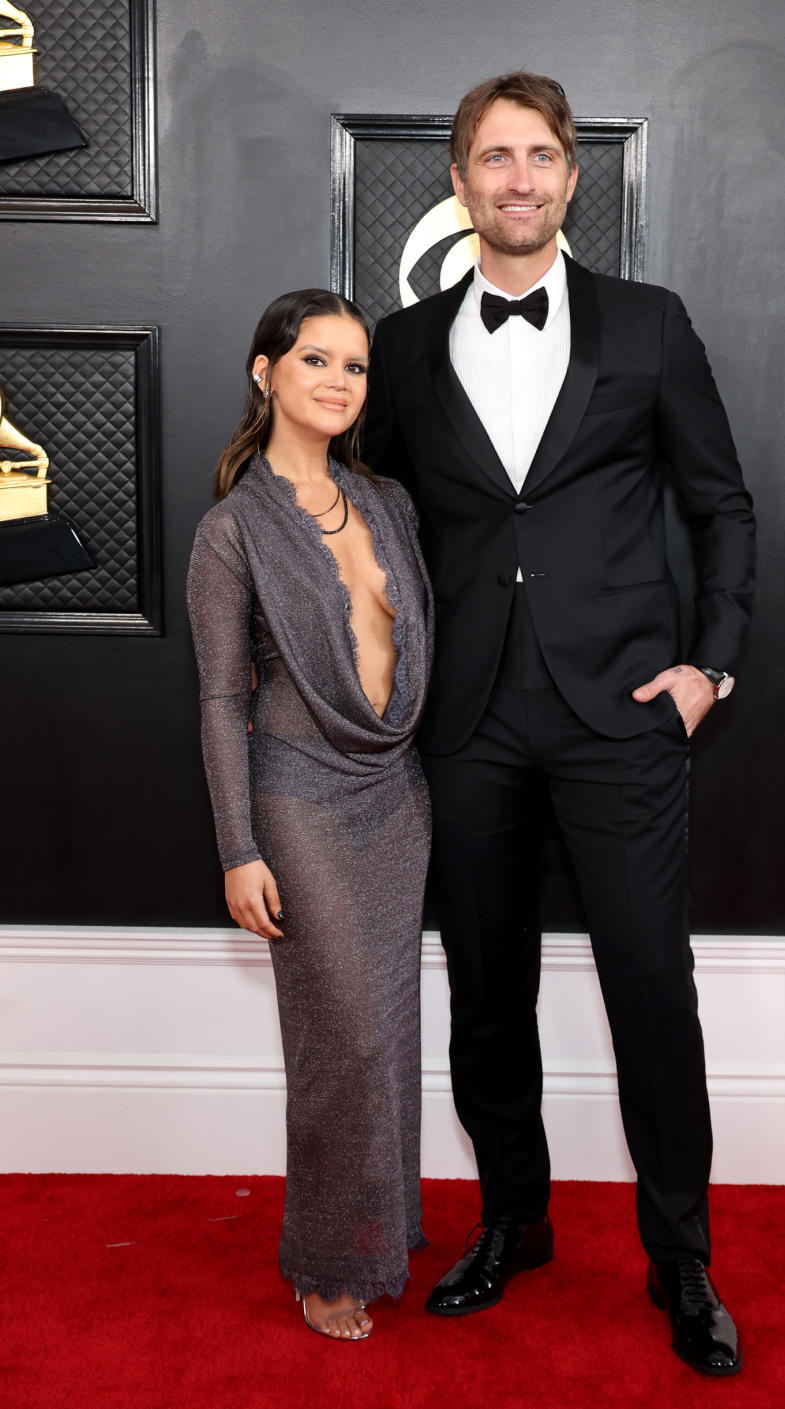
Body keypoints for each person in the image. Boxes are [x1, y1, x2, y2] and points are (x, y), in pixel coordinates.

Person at [363, 73, 755, 1375]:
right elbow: (375, 528)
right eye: (492, 158)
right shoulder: (404, 346)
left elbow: (723, 508)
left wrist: (710, 666)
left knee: (652, 984)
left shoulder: (649, 325)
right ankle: (514, 1225)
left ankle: (680, 1257)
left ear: (572, 176)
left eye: (540, 157)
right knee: (487, 992)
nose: (518, 179)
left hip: (624, 718)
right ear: (462, 180)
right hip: (464, 722)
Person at [186, 289, 433, 1341]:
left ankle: (384, 1229)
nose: (337, 382)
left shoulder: (386, 504)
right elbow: (219, 697)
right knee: (346, 1041)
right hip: (298, 798)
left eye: (355, 366)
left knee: (392, 1029)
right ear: (264, 371)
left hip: (397, 791)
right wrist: (238, 848)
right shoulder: (232, 530)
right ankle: (327, 1260)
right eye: (316, 360)